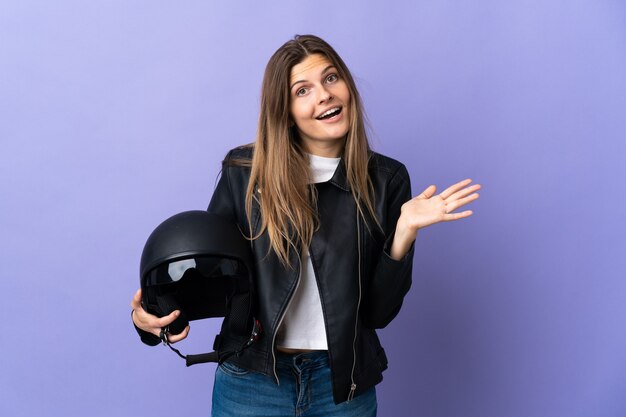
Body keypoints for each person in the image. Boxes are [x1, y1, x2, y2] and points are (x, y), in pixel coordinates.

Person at [131, 34, 481, 416]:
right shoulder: (244, 173)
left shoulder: (386, 180)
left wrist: (404, 234)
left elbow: (379, 313)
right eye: (303, 90)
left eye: (331, 78)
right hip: (252, 381)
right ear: (285, 111)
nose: (324, 95)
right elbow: (214, 274)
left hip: (341, 387)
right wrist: (150, 316)